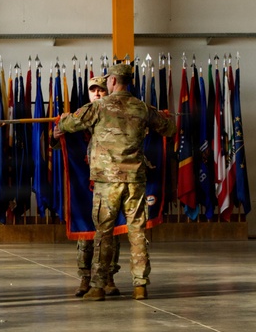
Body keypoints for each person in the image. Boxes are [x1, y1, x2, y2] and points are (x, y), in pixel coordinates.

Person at [56, 62, 176, 301]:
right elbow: (169, 129)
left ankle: (98, 286)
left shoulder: (98, 107)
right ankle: (140, 285)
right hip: (135, 180)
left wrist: (64, 119)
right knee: (137, 232)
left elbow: (67, 125)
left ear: (111, 81)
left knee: (103, 233)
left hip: (107, 181)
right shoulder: (143, 108)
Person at [54, 75, 123, 297]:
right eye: (93, 90)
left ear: (108, 91)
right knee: (85, 230)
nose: (97, 93)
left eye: (101, 89)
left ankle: (108, 277)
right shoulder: (79, 116)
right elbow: (60, 142)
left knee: (110, 231)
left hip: (110, 180)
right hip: (85, 184)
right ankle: (85, 277)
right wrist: (56, 135)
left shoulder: (116, 115)